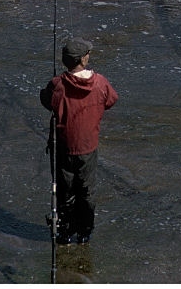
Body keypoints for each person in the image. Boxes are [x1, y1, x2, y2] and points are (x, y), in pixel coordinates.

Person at [40, 37, 118, 245]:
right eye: (87, 54)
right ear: (83, 59)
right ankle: (85, 232)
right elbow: (111, 100)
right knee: (86, 190)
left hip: (63, 148)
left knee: (64, 190)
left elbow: (47, 101)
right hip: (87, 148)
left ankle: (65, 231)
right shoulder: (100, 83)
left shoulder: (57, 85)